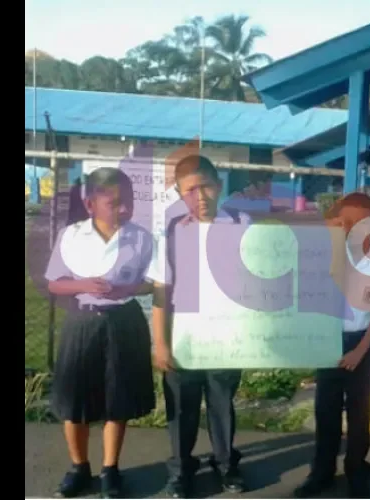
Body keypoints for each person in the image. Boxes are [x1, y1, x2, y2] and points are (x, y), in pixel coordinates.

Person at [44, 167, 156, 498]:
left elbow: (152, 283)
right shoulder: (71, 236)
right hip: (83, 321)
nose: (124, 209)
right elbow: (54, 283)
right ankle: (79, 467)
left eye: (129, 202)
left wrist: (129, 288)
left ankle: (110, 469)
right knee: (74, 400)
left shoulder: (141, 238)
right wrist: (83, 284)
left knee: (117, 399)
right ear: (91, 204)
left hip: (124, 321)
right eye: (114, 202)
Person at [147, 155, 251, 498]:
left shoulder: (242, 223)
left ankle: (226, 465)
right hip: (184, 336)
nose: (200, 196)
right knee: (182, 407)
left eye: (206, 186)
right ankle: (181, 471)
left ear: (219, 185)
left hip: (226, 335)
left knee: (222, 403)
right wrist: (160, 343)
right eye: (190, 190)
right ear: (179, 193)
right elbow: (161, 291)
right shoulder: (172, 231)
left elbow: (259, 280)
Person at [295, 192, 370, 499]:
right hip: (329, 339)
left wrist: (361, 349)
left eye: (361, 222)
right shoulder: (325, 256)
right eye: (347, 221)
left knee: (358, 412)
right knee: (325, 411)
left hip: (361, 341)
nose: (354, 228)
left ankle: (357, 467)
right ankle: (322, 472)